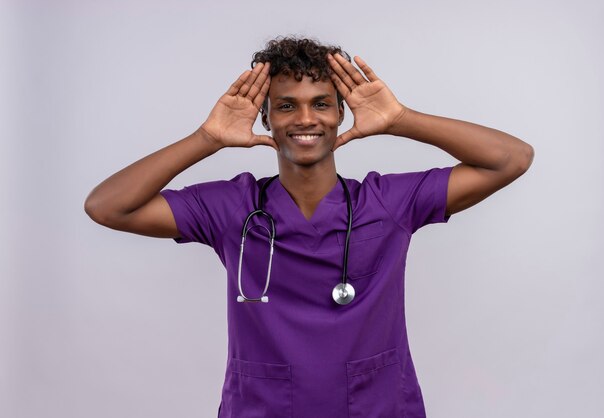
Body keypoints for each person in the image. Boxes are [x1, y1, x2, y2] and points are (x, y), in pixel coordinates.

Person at [85, 37, 534, 418]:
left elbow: (512, 158)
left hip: (377, 408)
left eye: (321, 104)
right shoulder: (230, 208)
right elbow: (108, 206)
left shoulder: (390, 203)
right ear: (266, 120)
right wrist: (207, 138)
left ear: (341, 114)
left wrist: (401, 120)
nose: (305, 119)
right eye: (286, 106)